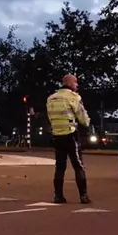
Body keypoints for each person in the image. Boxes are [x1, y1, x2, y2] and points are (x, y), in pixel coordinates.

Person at [46, 74, 91, 204]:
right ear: (71, 84)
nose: (77, 85)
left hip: (57, 136)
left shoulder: (51, 98)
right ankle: (83, 196)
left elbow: (50, 117)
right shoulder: (73, 97)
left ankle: (58, 196)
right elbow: (82, 117)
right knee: (78, 165)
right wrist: (87, 122)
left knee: (60, 167)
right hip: (70, 135)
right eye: (76, 83)